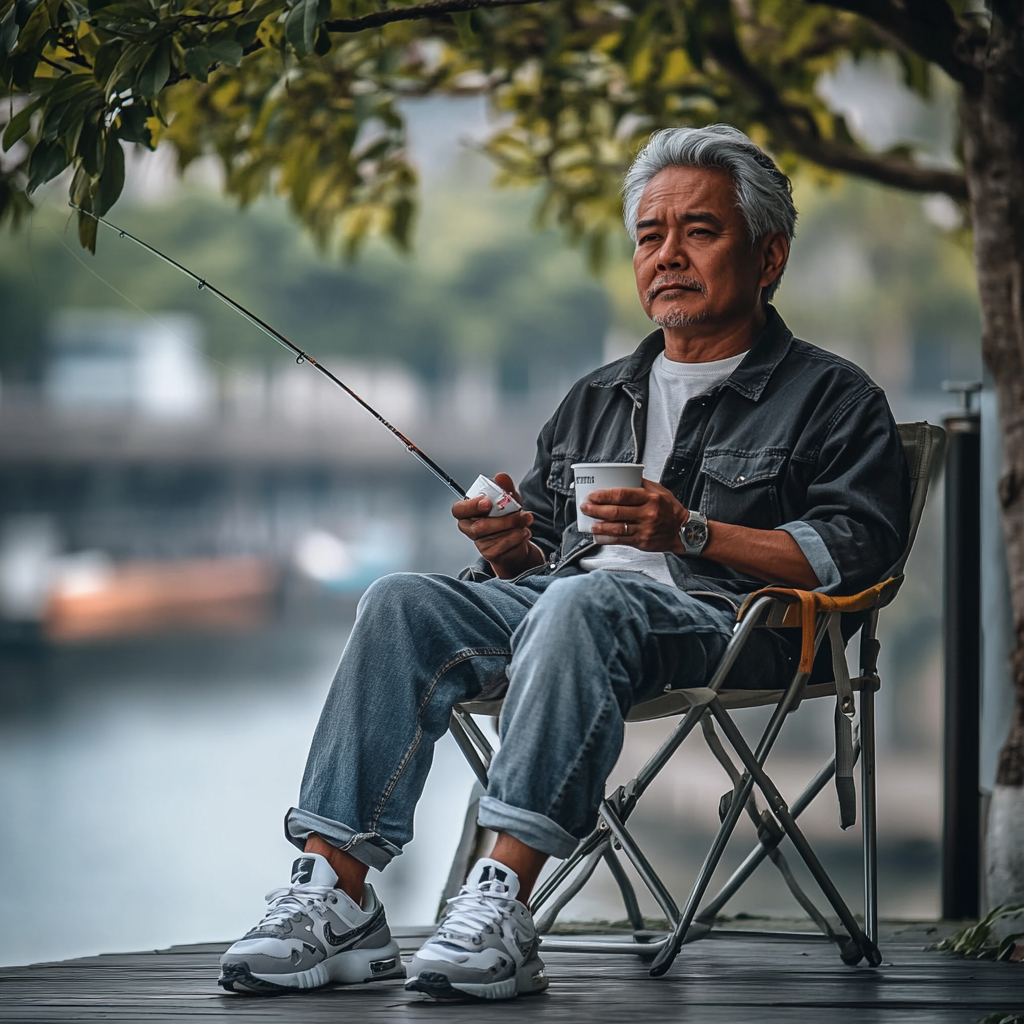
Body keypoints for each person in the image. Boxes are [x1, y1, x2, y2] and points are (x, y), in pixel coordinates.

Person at [218, 124, 909, 1002]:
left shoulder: (833, 397)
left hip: (737, 626)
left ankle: (501, 895)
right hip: (569, 611)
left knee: (584, 604)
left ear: (768, 256)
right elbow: (547, 553)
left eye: (699, 231)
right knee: (400, 598)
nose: (668, 255)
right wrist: (512, 548)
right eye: (649, 236)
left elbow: (854, 554)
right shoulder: (597, 395)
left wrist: (688, 532)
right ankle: (337, 892)